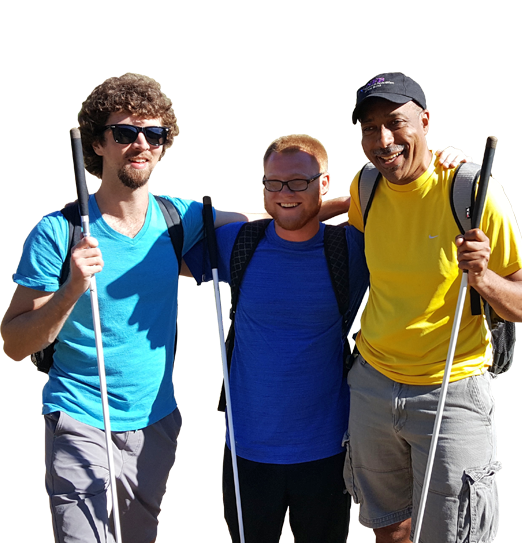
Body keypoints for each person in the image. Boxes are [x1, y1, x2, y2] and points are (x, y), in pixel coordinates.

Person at [0, 74, 251, 543]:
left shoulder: (180, 220)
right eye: (125, 133)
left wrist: (346, 203)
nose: (141, 144)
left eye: (153, 134)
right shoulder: (59, 232)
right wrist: (72, 287)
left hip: (154, 420)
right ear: (98, 142)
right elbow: (15, 343)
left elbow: (273, 223)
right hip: (79, 416)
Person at [183, 135, 469, 543]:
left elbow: (407, 216)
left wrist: (446, 172)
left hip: (329, 447)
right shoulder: (237, 245)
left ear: (325, 182)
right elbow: (162, 254)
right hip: (246, 446)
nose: (284, 193)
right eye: (273, 183)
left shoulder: (352, 248)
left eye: (299, 182)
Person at [323, 73, 522, 543]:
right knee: (384, 528)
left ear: (424, 121)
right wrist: (279, 213)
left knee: (453, 534)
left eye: (395, 123)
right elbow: (332, 211)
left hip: (452, 389)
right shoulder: (367, 185)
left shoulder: (473, 193)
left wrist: (484, 279)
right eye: (369, 128)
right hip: (372, 386)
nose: (382, 140)